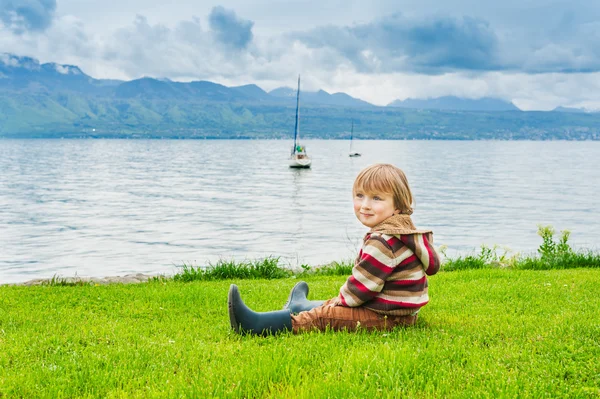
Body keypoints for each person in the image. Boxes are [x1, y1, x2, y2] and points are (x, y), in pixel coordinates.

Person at [228, 163, 441, 335]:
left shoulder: (384, 241)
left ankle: (255, 324)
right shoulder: (402, 232)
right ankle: (300, 304)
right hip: (400, 312)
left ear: (397, 206)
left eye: (376, 198)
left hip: (387, 318)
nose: (365, 204)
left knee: (324, 317)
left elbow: (361, 290)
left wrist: (339, 302)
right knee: (335, 305)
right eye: (360, 195)